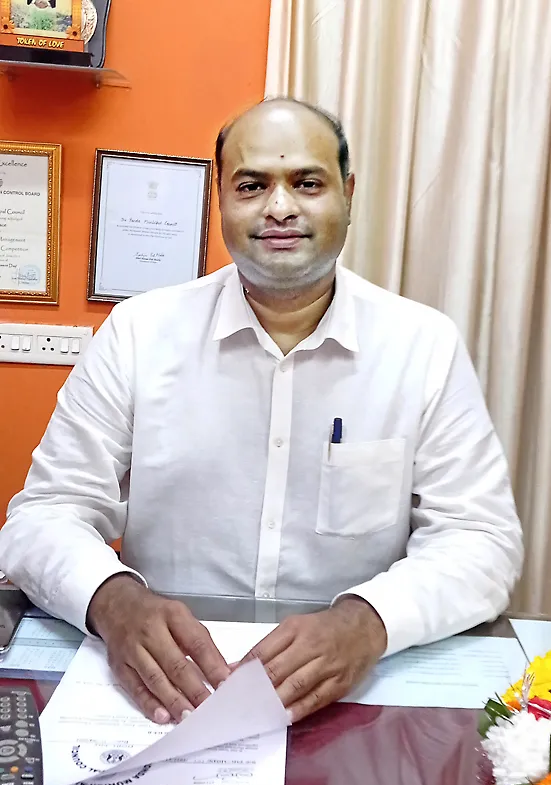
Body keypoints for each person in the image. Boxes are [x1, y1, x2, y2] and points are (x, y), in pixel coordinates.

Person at [0, 98, 523, 726]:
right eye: (252, 185)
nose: (279, 207)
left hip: (355, 691)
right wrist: (111, 599)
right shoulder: (139, 333)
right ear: (221, 198)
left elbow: (481, 540)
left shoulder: (422, 346)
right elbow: (44, 515)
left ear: (349, 195)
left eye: (307, 183)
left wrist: (369, 620)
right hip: (170, 690)